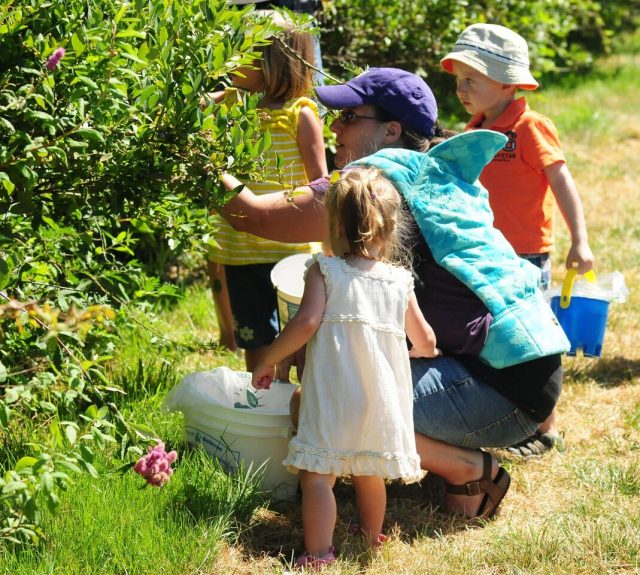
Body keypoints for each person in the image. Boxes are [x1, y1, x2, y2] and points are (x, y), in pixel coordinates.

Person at [217, 68, 569, 524]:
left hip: (501, 392)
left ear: (391, 130)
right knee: (331, 375)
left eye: (348, 116)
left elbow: (254, 218)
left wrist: (192, 158)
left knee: (327, 400)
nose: (334, 128)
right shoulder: (437, 171)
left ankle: (468, 467)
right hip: (528, 378)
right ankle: (440, 455)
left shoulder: (375, 187)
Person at [251, 167, 439, 568]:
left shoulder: (326, 270)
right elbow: (425, 338)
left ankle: (319, 554)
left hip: (334, 394)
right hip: (379, 399)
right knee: (369, 471)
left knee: (318, 475)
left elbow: (304, 324)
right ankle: (373, 537)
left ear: (334, 224)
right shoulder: (398, 280)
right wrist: (417, 351)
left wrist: (268, 358)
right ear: (388, 228)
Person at [440, 23, 594, 457]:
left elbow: (562, 182)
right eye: (458, 79)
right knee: (495, 337)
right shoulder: (474, 126)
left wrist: (579, 240)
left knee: (532, 338)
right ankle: (504, 414)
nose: (462, 88)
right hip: (484, 251)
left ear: (508, 82)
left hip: (525, 253)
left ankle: (545, 425)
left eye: (473, 79)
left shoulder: (529, 126)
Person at [206, 12, 327, 370]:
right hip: (240, 251)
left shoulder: (299, 113)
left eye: (243, 50)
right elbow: (188, 108)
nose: (233, 58)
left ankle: (297, 409)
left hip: (291, 252)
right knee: (254, 339)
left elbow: (320, 186)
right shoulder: (230, 103)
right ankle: (258, 405)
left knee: (300, 340)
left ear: (273, 60)